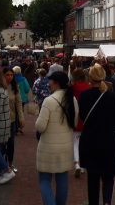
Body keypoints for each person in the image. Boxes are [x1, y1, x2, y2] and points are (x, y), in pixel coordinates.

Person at [78, 65, 115, 205]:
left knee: (92, 178)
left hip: (90, 141)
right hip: (109, 141)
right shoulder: (112, 96)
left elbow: (81, 116)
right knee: (108, 177)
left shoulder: (84, 96)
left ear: (90, 78)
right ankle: (107, 202)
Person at [36, 71, 78, 205]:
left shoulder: (49, 101)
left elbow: (40, 126)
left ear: (56, 83)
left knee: (44, 180)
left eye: (50, 81)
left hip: (48, 147)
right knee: (62, 179)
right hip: (65, 146)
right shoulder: (73, 99)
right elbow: (75, 123)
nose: (49, 84)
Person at [3, 67, 24, 172]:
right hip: (0, 120)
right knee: (1, 143)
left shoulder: (15, 87)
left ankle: (10, 164)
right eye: (7, 75)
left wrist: (21, 118)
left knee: (11, 143)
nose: (10, 77)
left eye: (11, 75)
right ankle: (1, 164)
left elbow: (19, 103)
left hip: (11, 119)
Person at [70, 68, 89, 178]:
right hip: (86, 119)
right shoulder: (88, 88)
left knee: (75, 143)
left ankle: (77, 164)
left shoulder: (72, 88)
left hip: (75, 119)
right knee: (84, 144)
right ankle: (83, 166)